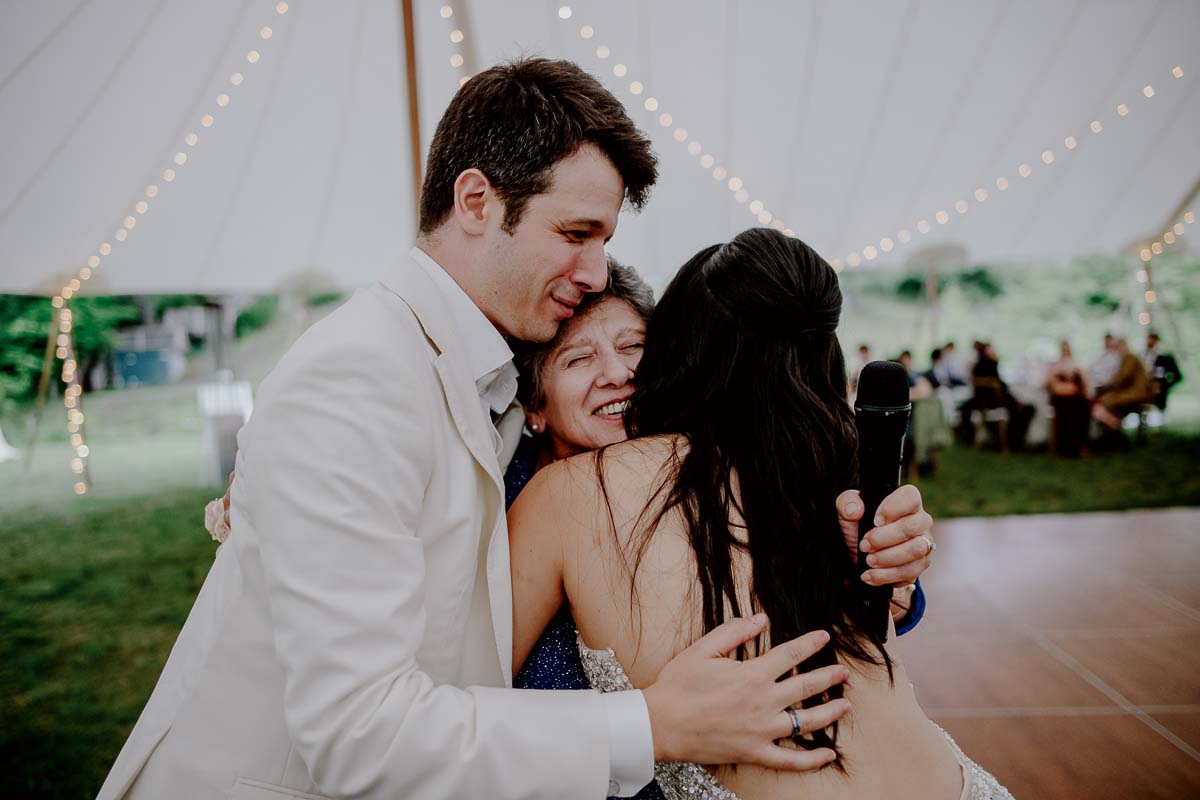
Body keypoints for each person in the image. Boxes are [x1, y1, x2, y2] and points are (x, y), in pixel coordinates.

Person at [100, 59, 933, 800]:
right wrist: (654, 726)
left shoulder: (511, 386)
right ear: (476, 201)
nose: (598, 273)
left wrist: (886, 553)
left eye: (605, 243)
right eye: (574, 235)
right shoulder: (353, 380)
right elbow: (359, 739)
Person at [508, 229, 1009, 799]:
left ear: (674, 353)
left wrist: (887, 572)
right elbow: (454, 709)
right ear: (533, 406)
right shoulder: (517, 500)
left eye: (633, 348)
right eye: (578, 357)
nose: (618, 374)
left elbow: (846, 622)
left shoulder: (769, 471)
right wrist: (648, 721)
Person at [1092, 337, 1155, 432]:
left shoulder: (1129, 357)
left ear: (1123, 345)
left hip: (1136, 393)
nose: (1116, 350)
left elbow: (1121, 378)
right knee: (1105, 399)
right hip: (1135, 392)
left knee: (1105, 401)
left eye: (1117, 347)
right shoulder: (1129, 357)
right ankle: (1112, 427)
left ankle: (1113, 428)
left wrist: (1107, 385)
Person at [1045, 340, 1090, 457]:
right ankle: (1065, 447)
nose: (1065, 351)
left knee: (1082, 407)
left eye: (1067, 349)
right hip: (1061, 399)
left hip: (1075, 398)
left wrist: (1077, 372)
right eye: (1063, 349)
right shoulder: (1055, 365)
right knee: (1066, 409)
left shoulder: (1076, 365)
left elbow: (1084, 383)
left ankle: (1079, 446)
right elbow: (1047, 383)